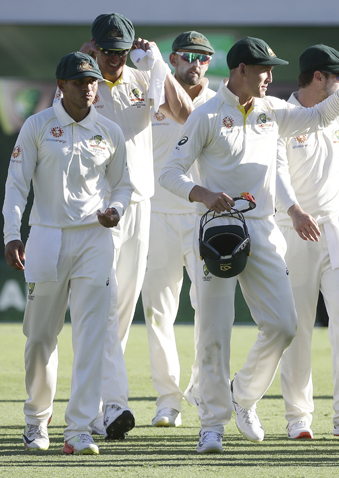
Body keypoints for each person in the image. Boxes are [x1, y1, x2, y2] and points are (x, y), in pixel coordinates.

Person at [160, 36, 339, 453]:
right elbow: (171, 173)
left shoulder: (272, 111)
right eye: (263, 70)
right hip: (218, 230)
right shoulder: (206, 115)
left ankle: (242, 394)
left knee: (283, 324)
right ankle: (213, 426)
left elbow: (317, 117)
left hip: (261, 228)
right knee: (214, 330)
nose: (270, 77)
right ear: (241, 70)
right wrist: (204, 195)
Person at [55, 13, 195, 439]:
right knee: (103, 302)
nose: (115, 59)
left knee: (119, 310)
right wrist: (84, 57)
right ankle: (113, 405)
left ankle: (92, 407)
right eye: (106, 50)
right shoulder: (84, 83)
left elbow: (185, 114)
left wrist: (160, 67)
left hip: (140, 203)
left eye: (121, 50)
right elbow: (55, 120)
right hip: (97, 209)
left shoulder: (142, 77)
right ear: (94, 46)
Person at [2, 52, 133, 455]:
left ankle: (77, 428)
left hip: (95, 240)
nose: (89, 87)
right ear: (61, 86)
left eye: (92, 81)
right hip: (47, 237)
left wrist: (116, 210)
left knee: (92, 335)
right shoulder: (38, 126)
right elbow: (16, 185)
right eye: (80, 82)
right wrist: (12, 233)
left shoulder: (109, 130)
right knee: (40, 336)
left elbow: (124, 185)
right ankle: (36, 421)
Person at [275, 44, 339, 441]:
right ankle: (298, 417)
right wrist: (295, 211)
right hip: (292, 231)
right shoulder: (282, 116)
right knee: (297, 327)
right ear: (319, 78)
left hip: (337, 231)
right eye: (337, 78)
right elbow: (277, 173)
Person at [141, 31, 216, 428]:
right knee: (158, 313)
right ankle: (168, 400)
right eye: (188, 56)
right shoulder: (151, 90)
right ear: (173, 59)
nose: (196, 63)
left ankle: (202, 392)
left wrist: (156, 67)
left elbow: (186, 114)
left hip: (200, 216)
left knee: (208, 310)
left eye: (203, 57)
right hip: (156, 215)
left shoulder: (215, 101)